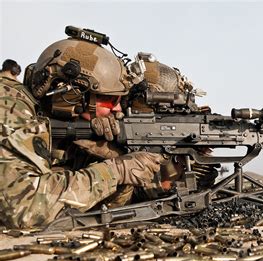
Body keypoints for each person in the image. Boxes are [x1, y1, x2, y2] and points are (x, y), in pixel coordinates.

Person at [0, 56, 165, 229]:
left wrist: (119, 167)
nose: (118, 109)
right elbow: (25, 209)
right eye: (111, 100)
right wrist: (114, 171)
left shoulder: (50, 119)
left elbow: (96, 213)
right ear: (72, 94)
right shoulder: (9, 105)